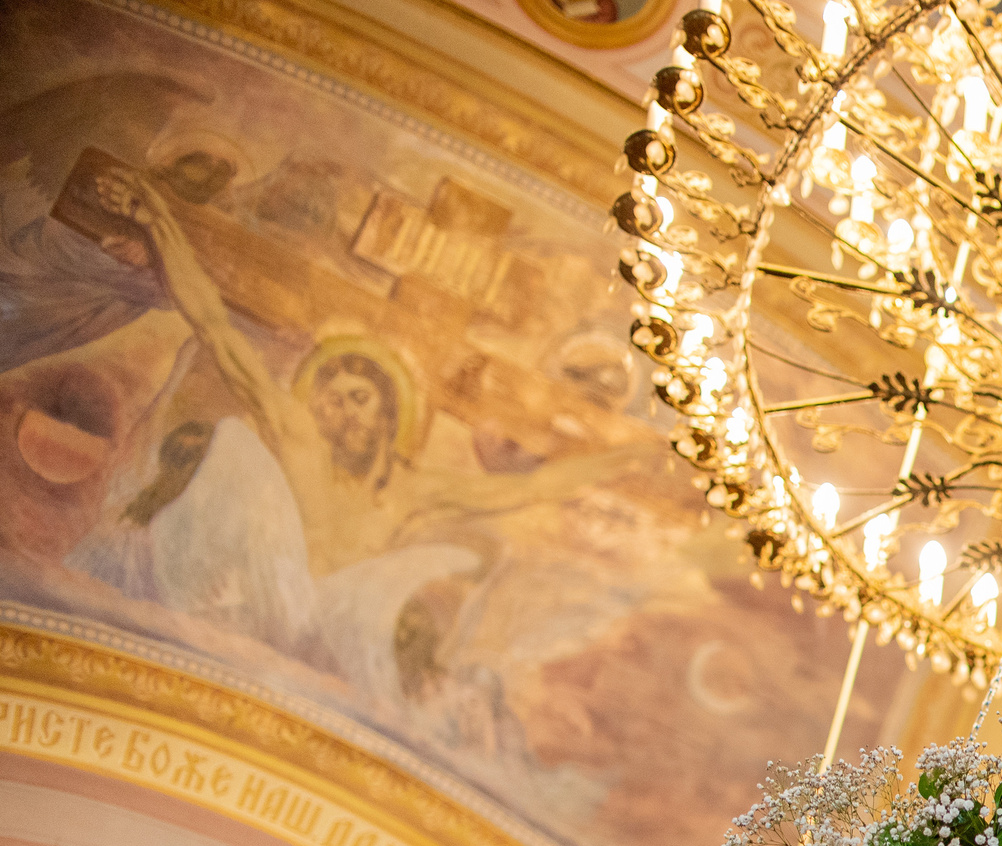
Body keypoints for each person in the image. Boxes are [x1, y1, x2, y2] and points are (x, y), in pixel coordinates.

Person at [82, 165, 653, 709]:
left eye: (360, 399)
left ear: (387, 413)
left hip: (335, 636)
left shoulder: (410, 488)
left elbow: (528, 490)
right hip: (258, 595)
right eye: (332, 399)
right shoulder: (298, 439)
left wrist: (629, 457)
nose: (343, 412)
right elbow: (215, 326)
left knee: (423, 583)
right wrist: (159, 223)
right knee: (234, 445)